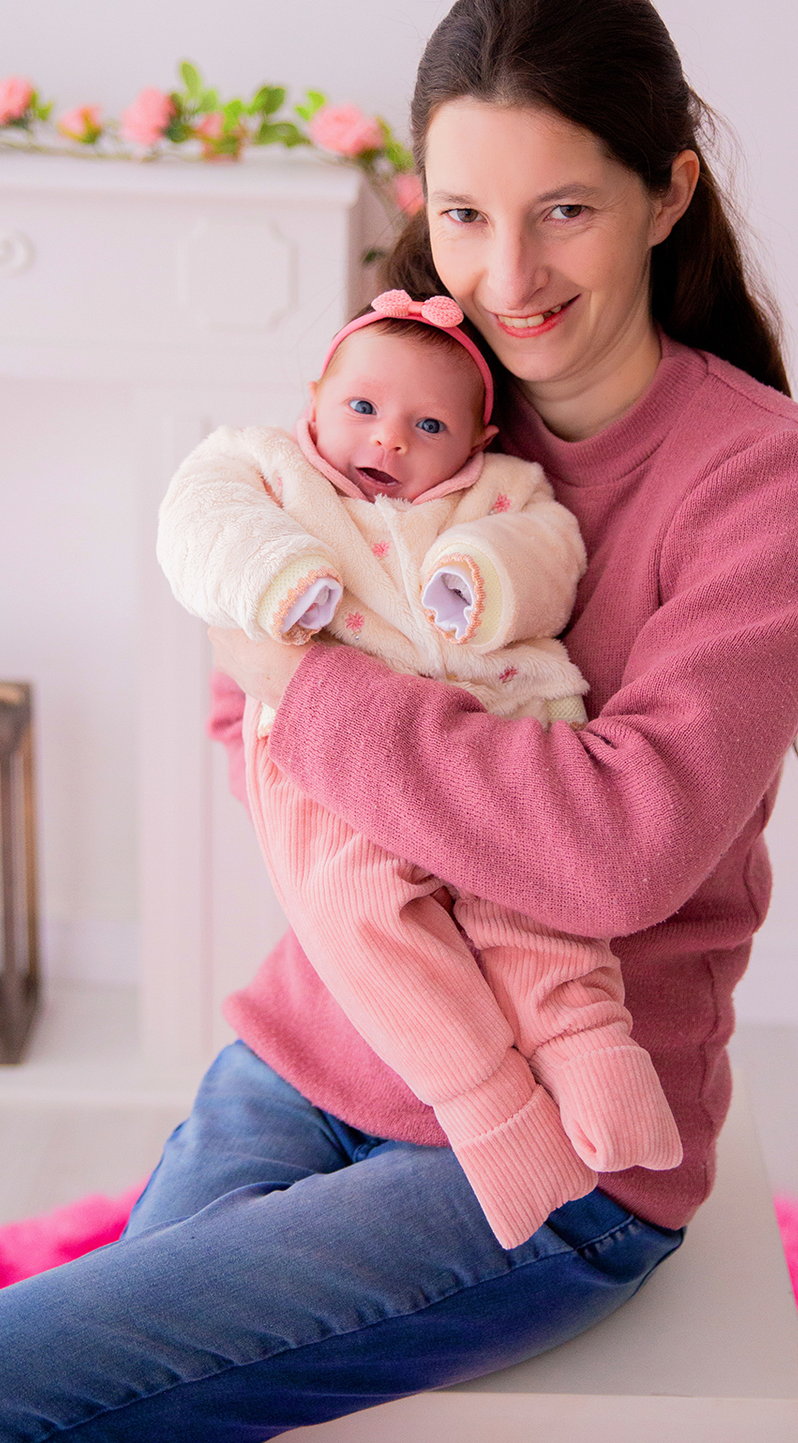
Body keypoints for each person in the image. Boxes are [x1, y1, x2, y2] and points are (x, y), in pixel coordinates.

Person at [0, 0, 798, 1441]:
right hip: (312, 1045)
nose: (512, 277)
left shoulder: (783, 483)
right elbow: (248, 724)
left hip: (557, 1148)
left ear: (668, 194)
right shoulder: (412, 400)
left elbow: (618, 849)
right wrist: (371, 751)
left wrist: (311, 678)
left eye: (568, 211)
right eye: (467, 217)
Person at [155, 289, 682, 1249]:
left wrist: (480, 573)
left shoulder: (504, 490)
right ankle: (494, 1112)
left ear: (478, 436)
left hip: (499, 727)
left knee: (532, 910)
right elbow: (198, 520)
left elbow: (550, 552)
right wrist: (275, 575)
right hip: (331, 764)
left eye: (427, 425)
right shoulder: (263, 463)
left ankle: (595, 1053)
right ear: (314, 395)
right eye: (362, 409)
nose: (388, 441)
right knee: (369, 921)